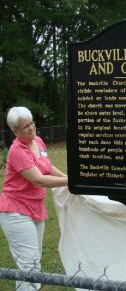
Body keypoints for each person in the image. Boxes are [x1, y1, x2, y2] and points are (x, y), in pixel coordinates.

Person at [0, 107, 68, 291]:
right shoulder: (16, 151)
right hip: (16, 211)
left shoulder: (37, 141)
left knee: (32, 261)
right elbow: (39, 179)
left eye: (32, 123)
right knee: (28, 265)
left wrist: (69, 180)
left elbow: (47, 167)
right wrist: (70, 182)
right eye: (25, 127)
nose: (31, 128)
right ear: (15, 131)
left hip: (35, 208)